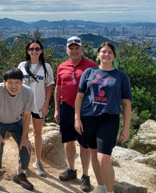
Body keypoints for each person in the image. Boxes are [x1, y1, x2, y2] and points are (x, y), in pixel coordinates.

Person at [74, 42, 133, 193]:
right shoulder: (89, 72)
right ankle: (101, 186)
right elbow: (79, 97)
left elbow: (126, 103)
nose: (106, 55)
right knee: (94, 153)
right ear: (98, 54)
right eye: (103, 52)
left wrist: (126, 128)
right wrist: (77, 118)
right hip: (88, 118)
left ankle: (110, 191)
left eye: (109, 52)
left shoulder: (121, 76)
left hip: (109, 119)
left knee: (103, 158)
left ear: (114, 56)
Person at [55, 36, 97, 192]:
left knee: (84, 144)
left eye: (76, 48)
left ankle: (86, 176)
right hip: (66, 107)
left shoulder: (92, 66)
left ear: (82, 49)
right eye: (71, 48)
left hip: (85, 110)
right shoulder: (61, 67)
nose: (74, 51)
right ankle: (71, 169)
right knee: (68, 141)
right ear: (66, 50)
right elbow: (58, 89)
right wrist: (57, 109)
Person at [0, 67, 35, 191]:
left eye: (17, 82)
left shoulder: (28, 92)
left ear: (22, 82)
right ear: (4, 82)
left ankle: (19, 173)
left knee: (26, 146)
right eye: (10, 82)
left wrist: (24, 138)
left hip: (17, 121)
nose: (14, 86)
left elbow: (28, 115)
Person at [17, 39, 54, 176]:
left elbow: (49, 88)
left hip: (38, 106)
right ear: (27, 51)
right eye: (31, 49)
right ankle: (24, 162)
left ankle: (38, 161)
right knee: (23, 134)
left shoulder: (46, 67)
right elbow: (17, 86)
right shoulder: (22, 65)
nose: (34, 51)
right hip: (24, 107)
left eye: (37, 49)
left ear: (41, 51)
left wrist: (45, 106)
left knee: (37, 134)